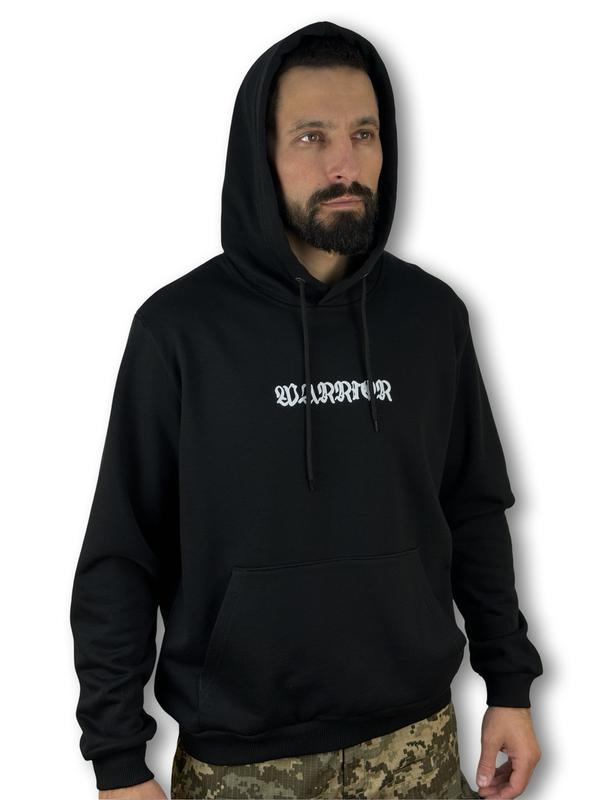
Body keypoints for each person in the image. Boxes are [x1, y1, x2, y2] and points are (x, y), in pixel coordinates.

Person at [69, 19, 544, 800]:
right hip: (243, 767)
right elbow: (123, 555)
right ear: (260, 155)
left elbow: (474, 510)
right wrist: (118, 761)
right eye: (311, 136)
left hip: (419, 741)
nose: (343, 164)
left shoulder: (431, 317)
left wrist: (510, 684)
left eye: (364, 133)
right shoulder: (180, 331)